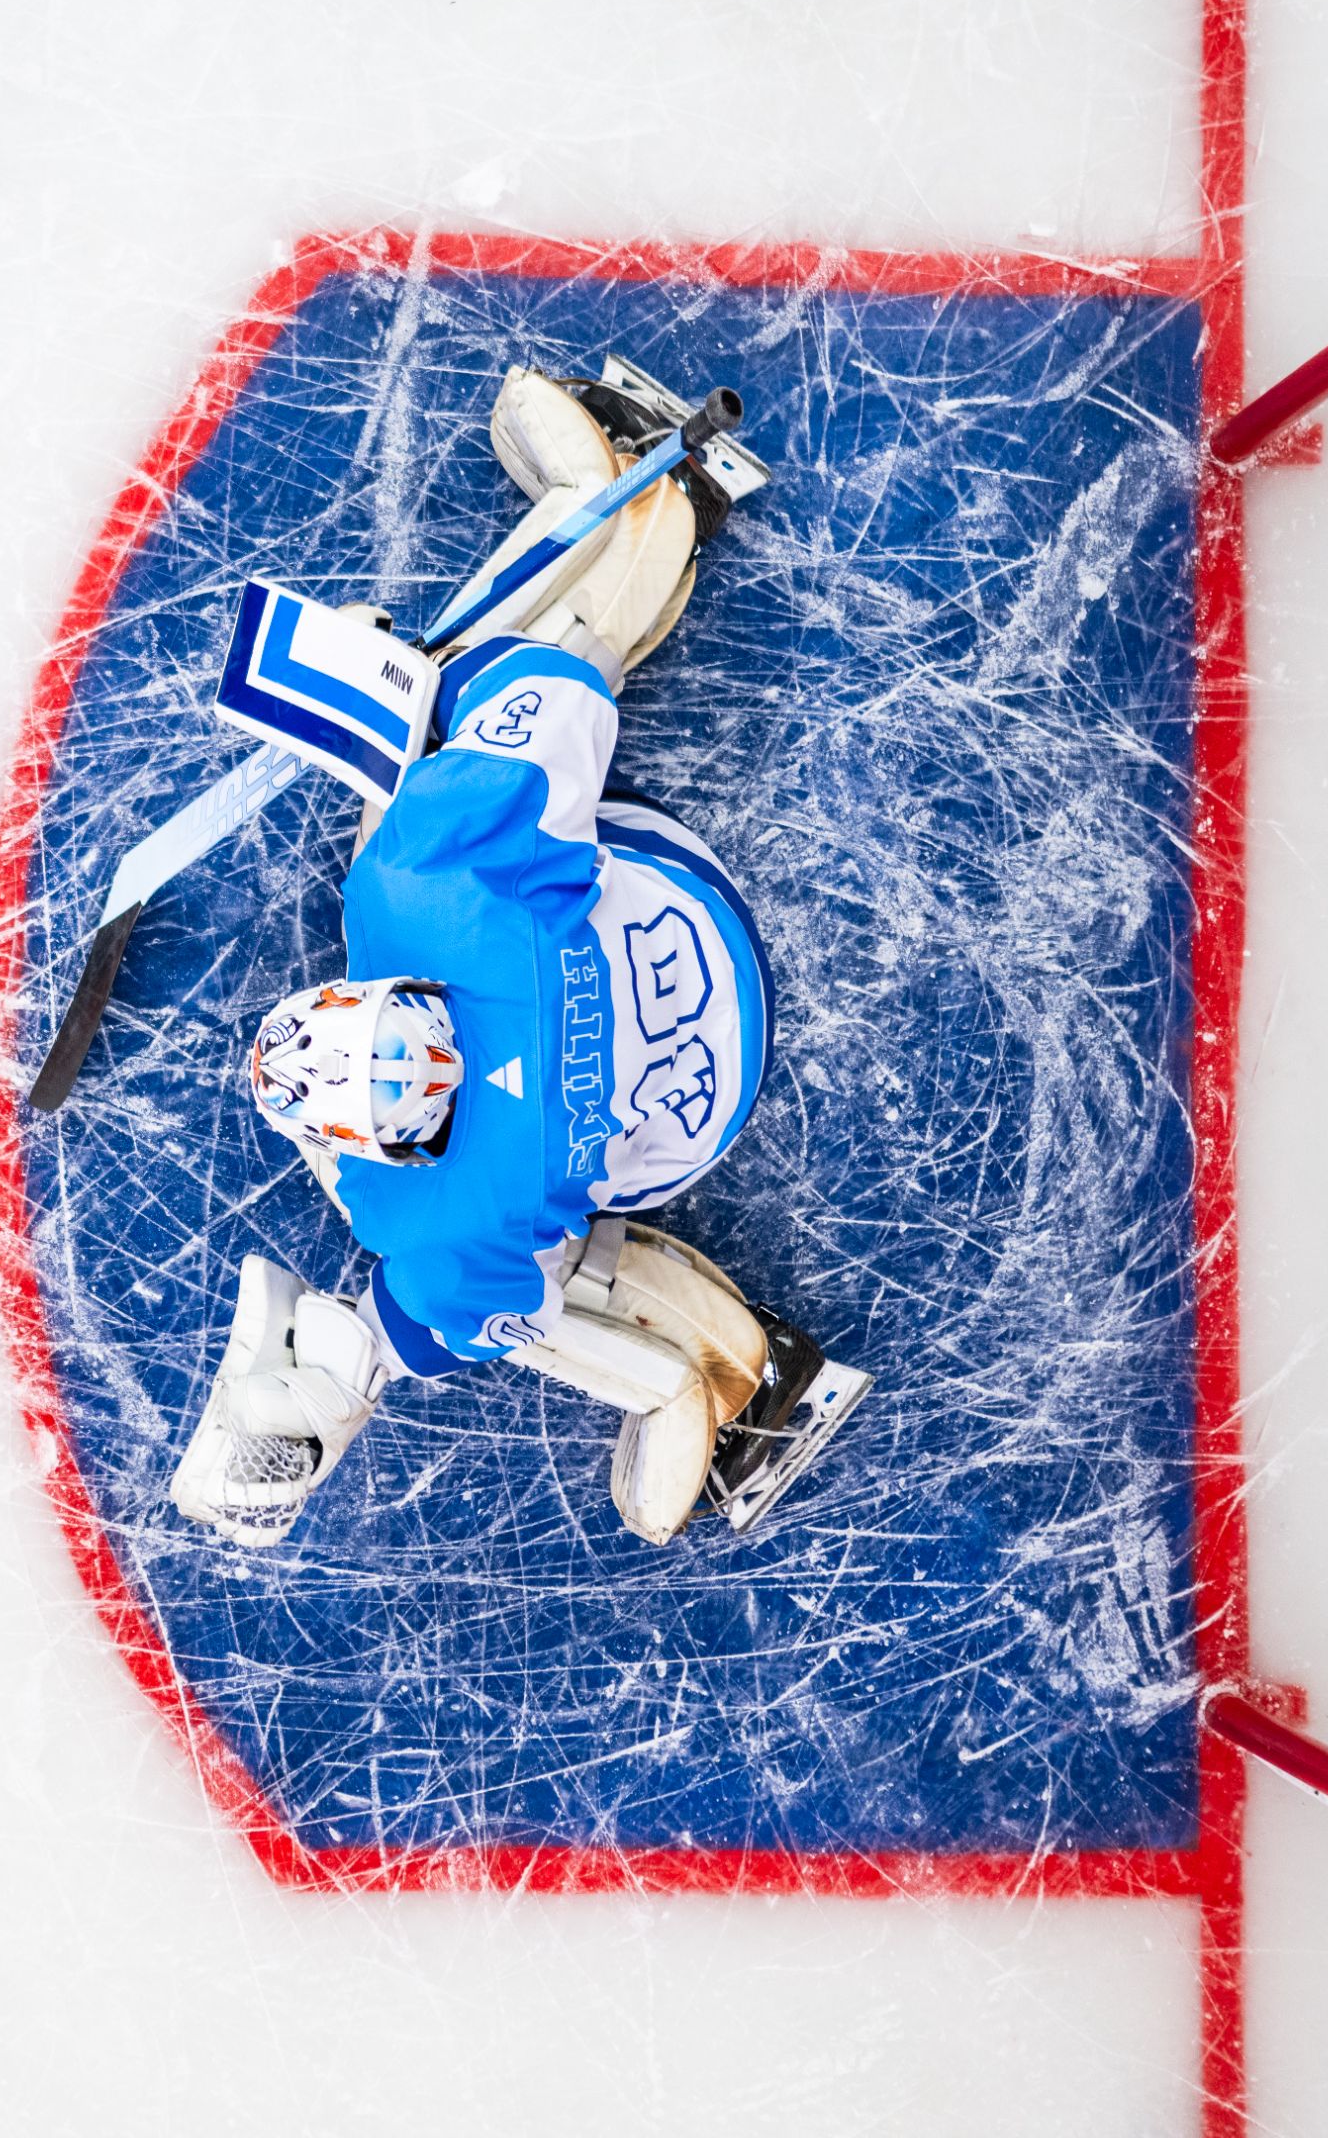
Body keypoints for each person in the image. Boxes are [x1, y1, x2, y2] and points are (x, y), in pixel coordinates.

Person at [171, 368, 866, 1548]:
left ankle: (732, 1382)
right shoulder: (426, 889)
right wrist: (419, 702)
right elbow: (563, 684)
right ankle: (633, 494)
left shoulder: (450, 1227)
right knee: (526, 679)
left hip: (700, 1115)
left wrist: (321, 1388)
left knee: (541, 1278)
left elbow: (415, 1331)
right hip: (692, 917)